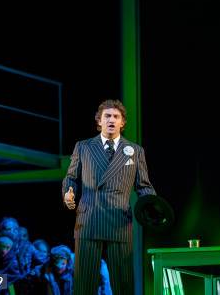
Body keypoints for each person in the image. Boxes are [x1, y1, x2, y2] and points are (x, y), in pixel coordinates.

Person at [62, 99, 156, 295]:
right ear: (99, 121)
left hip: (119, 221)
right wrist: (68, 193)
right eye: (107, 116)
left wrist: (152, 207)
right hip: (89, 220)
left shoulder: (135, 151)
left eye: (116, 116)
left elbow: (144, 187)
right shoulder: (84, 147)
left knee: (124, 284)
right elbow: (71, 177)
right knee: (84, 285)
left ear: (122, 122)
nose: (111, 120)